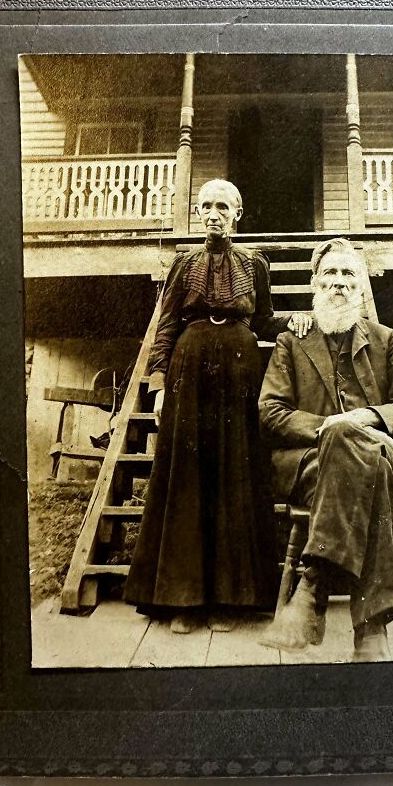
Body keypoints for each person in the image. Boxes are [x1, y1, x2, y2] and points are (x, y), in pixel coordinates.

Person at [123, 179, 312, 633]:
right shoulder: (183, 264)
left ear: (238, 213)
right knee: (189, 480)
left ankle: (232, 599)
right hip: (189, 371)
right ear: (196, 210)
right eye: (205, 205)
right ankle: (184, 601)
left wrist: (299, 317)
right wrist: (159, 383)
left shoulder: (254, 264)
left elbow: (265, 318)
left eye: (222, 206)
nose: (213, 213)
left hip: (241, 372)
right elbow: (166, 325)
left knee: (235, 476)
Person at [257, 238, 393, 661]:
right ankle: (370, 628)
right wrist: (329, 427)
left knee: (357, 447)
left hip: (385, 451)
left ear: (361, 284)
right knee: (356, 459)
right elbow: (270, 412)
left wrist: (363, 419)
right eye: (329, 274)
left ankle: (313, 584)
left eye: (347, 274)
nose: (338, 283)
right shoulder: (291, 341)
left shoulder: (386, 339)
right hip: (311, 462)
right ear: (315, 282)